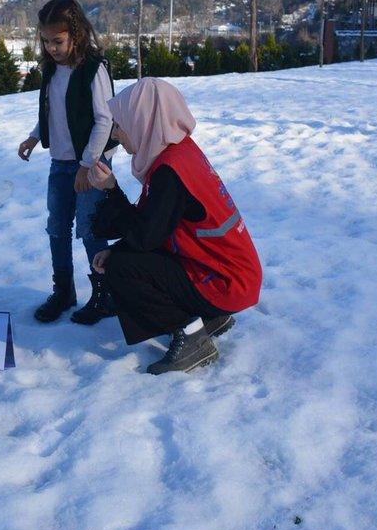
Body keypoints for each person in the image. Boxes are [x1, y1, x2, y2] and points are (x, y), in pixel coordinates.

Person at [87, 77, 263, 374]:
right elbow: (157, 226)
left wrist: (111, 190)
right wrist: (117, 248)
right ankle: (211, 316)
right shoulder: (178, 151)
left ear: (142, 121)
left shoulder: (170, 170)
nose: (116, 134)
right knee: (124, 259)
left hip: (226, 282)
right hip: (227, 271)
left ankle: (192, 335)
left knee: (123, 270)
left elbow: (145, 236)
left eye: (120, 124)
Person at [17, 0, 116, 324]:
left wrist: (88, 165)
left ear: (76, 34)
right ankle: (64, 291)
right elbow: (51, 110)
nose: (51, 48)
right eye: (45, 41)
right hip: (60, 162)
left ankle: (104, 295)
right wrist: (35, 135)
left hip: (92, 165)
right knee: (57, 227)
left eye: (57, 41)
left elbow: (105, 119)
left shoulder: (93, 69)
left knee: (90, 230)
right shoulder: (50, 69)